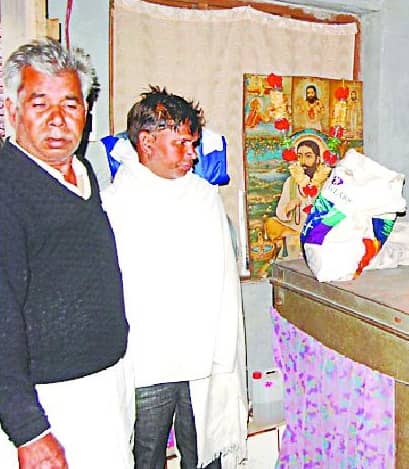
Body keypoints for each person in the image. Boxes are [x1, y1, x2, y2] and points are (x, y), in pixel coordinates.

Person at [0, 38, 134, 468]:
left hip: (105, 384)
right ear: (11, 111)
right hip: (50, 401)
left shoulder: (82, 172)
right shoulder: (7, 190)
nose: (57, 120)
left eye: (70, 105)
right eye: (40, 104)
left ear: (86, 112)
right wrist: (28, 430)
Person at [102, 86, 247, 469]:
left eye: (193, 144)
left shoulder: (204, 197)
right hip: (147, 361)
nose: (192, 154)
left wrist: (222, 348)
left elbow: (222, 281)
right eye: (182, 143)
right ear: (147, 142)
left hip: (204, 355)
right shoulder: (116, 204)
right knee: (146, 456)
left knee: (206, 455)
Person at [264, 139, 331, 256]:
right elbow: (280, 212)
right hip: (294, 228)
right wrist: (288, 208)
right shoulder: (291, 182)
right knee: (271, 223)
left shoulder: (327, 182)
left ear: (318, 159)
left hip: (318, 229)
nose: (303, 161)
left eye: (308, 156)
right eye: (299, 156)